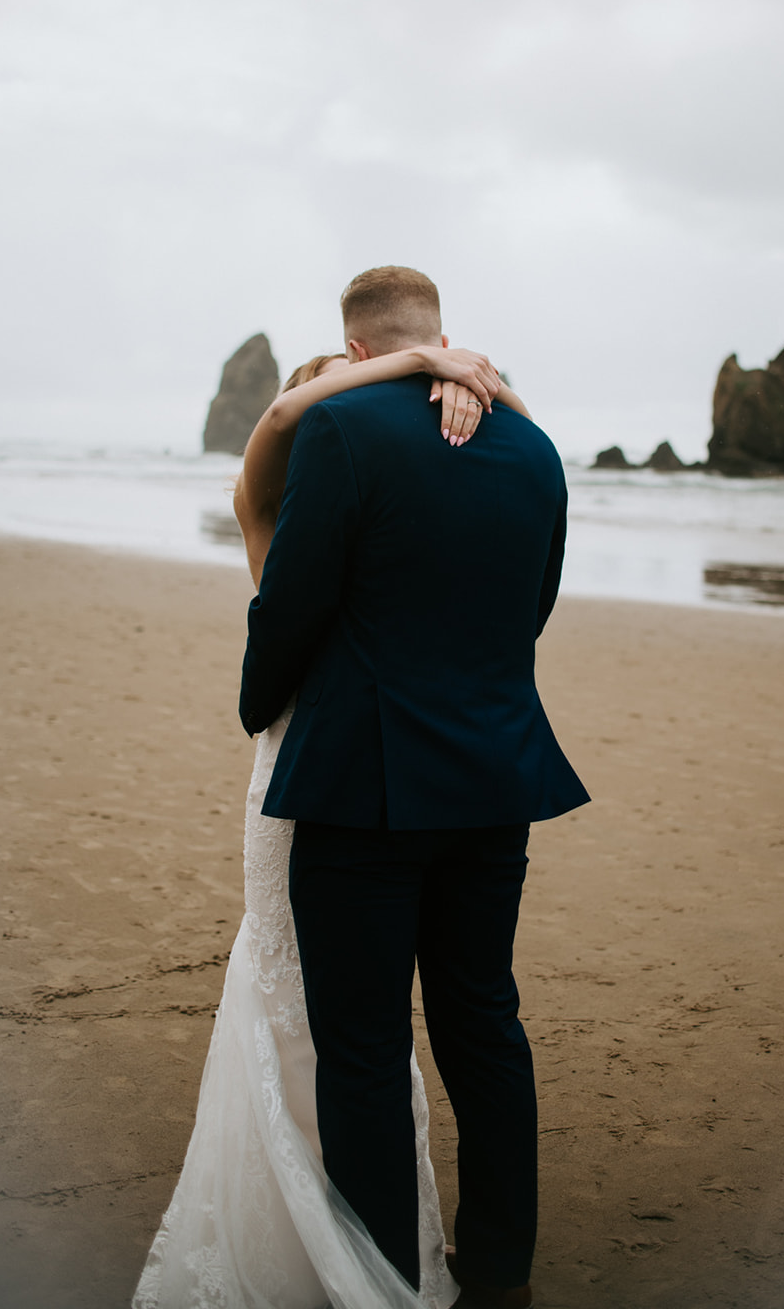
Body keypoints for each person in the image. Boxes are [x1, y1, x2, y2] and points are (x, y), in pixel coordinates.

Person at [133, 333, 516, 1309]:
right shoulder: (272, 501)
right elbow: (272, 430)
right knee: (304, 997)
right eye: (323, 411)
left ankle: (358, 1237)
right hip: (301, 769)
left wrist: (453, 382)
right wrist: (410, 362)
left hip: (364, 774)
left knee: (347, 1018)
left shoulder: (372, 501)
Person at [240, 266, 590, 1309]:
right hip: (494, 778)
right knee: (484, 1022)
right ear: (443, 337)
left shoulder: (341, 435)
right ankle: (497, 1276)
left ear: (357, 349)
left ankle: (384, 1281)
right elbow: (529, 607)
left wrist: (260, 703)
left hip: (365, 788)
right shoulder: (533, 449)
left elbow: (292, 602)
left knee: (360, 1045)